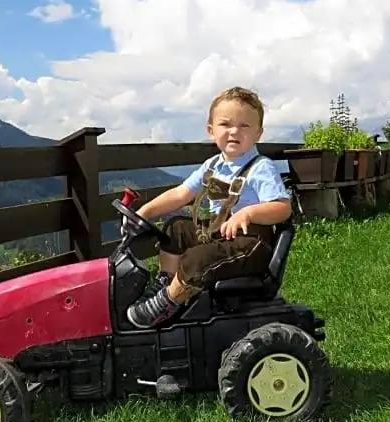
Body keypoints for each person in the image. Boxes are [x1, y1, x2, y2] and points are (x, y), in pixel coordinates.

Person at [124, 86, 293, 329]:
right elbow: (181, 193)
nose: (234, 131)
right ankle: (166, 282)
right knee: (175, 228)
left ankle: (169, 303)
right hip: (220, 234)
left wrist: (248, 213)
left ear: (258, 133)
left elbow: (282, 207)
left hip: (250, 243)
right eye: (225, 124)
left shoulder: (260, 167)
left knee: (198, 258)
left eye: (245, 126)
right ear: (211, 131)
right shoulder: (212, 165)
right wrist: (144, 212)